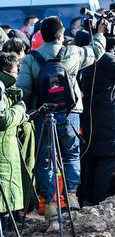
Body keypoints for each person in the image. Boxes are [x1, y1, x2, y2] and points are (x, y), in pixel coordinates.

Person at [17, 16, 105, 218]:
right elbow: (97, 52)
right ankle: (72, 195)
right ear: (61, 33)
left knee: (45, 160)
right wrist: (99, 33)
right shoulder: (73, 52)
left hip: (44, 114)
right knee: (71, 155)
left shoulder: (32, 58)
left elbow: (23, 90)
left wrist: (30, 111)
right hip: (70, 113)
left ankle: (48, 203)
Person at [77, 31, 115, 206]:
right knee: (106, 159)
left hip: (91, 117)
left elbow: (112, 62)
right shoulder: (108, 61)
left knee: (91, 159)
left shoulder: (88, 59)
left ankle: (87, 199)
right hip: (109, 119)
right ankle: (99, 201)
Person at [0, 52, 28, 223]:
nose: (18, 74)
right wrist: (20, 109)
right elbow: (3, 120)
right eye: (16, 70)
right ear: (6, 71)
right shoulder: (1, 89)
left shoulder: (7, 88)